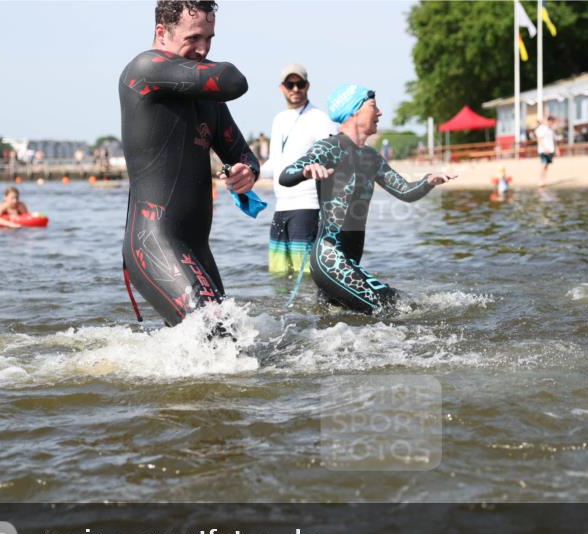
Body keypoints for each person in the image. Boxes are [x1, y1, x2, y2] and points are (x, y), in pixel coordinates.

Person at [119, 0, 259, 327]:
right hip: (154, 242)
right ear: (161, 32)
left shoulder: (205, 96)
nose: (203, 49)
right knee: (216, 336)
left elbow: (242, 154)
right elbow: (233, 80)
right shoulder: (145, 69)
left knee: (228, 342)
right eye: (193, 38)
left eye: (209, 38)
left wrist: (246, 171)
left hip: (196, 248)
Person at [278, 84, 456, 313]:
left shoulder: (371, 157)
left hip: (349, 262)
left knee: (334, 322)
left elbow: (405, 191)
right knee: (396, 308)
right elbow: (286, 175)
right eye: (373, 106)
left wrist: (428, 181)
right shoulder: (329, 147)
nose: (380, 112)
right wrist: (306, 171)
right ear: (354, 112)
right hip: (330, 259)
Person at [258, 63, 336, 275]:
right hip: (281, 208)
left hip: (308, 208)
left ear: (307, 86)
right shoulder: (279, 120)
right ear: (281, 88)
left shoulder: (320, 119)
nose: (295, 89)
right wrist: (250, 172)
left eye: (299, 84)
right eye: (289, 84)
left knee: (307, 275)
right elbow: (275, 164)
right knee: (278, 275)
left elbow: (335, 162)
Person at [535, 116, 556, 187]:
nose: (551, 123)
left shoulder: (550, 129)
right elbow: (539, 139)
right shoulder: (542, 128)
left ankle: (544, 180)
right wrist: (544, 148)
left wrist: (556, 149)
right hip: (543, 150)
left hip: (550, 149)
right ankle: (540, 180)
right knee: (543, 165)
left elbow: (553, 140)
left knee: (547, 165)